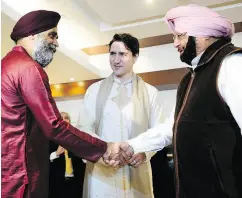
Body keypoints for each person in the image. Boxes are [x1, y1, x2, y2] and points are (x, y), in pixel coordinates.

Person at [120, 4, 242, 198]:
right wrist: (132, 145)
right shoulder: (191, 77)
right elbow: (173, 126)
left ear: (205, 34)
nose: (175, 43)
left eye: (180, 35)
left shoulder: (232, 63)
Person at [1, 10, 125, 198]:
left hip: (8, 174)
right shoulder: (29, 69)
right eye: (52, 35)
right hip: (23, 177)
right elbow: (55, 126)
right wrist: (104, 148)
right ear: (33, 34)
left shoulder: (6, 65)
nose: (56, 43)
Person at [77, 33, 162, 198]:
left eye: (123, 54)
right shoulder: (94, 90)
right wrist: (103, 149)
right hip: (102, 171)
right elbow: (84, 127)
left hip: (135, 168)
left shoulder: (151, 93)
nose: (116, 60)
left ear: (135, 56)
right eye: (112, 53)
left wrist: (144, 153)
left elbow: (157, 132)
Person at [49, 112, 86, 198]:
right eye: (61, 118)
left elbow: (83, 160)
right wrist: (56, 153)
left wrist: (84, 157)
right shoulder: (50, 138)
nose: (64, 120)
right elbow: (43, 161)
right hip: (57, 183)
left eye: (66, 118)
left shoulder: (77, 139)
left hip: (76, 182)